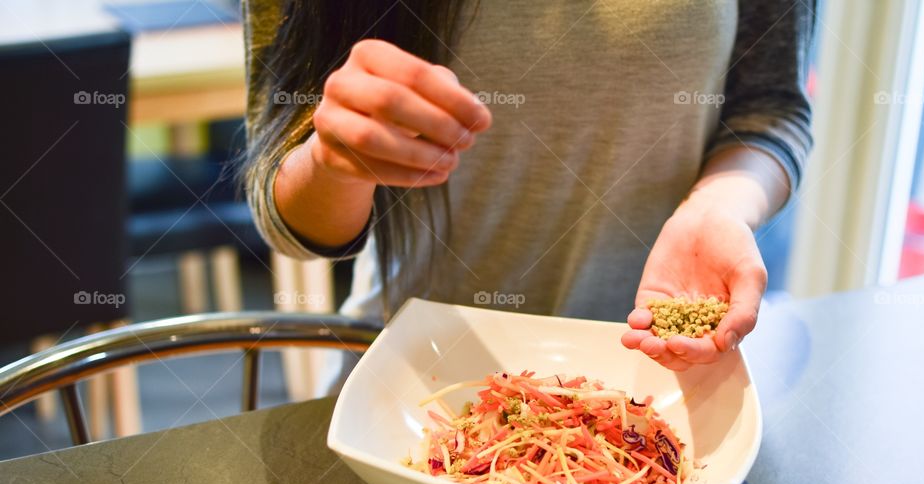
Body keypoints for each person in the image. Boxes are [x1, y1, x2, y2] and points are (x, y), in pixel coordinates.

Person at [242, 0, 814, 376]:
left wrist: (718, 208)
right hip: (416, 390)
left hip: (660, 385)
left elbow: (768, 107)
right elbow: (285, 207)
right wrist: (334, 160)